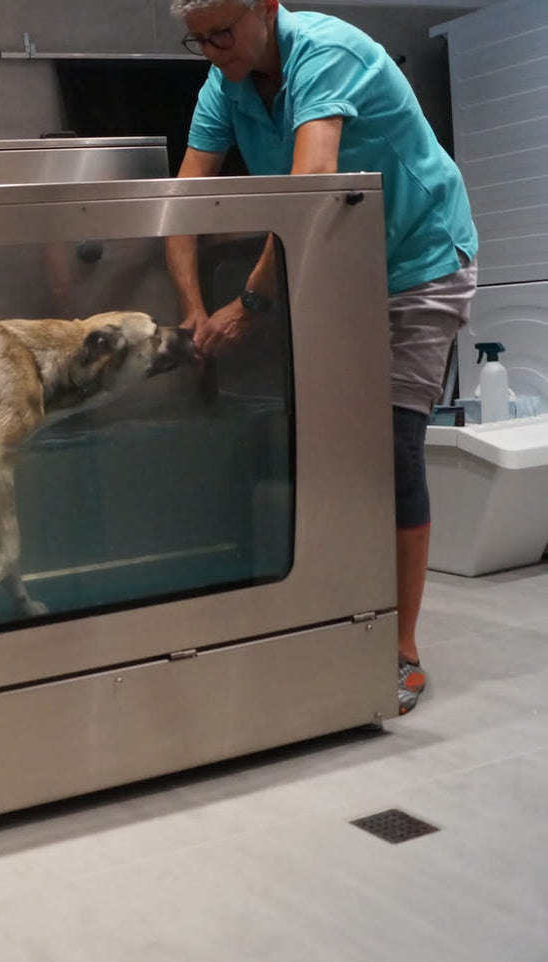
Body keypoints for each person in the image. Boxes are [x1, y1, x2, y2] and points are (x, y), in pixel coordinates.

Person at [164, 0, 478, 714]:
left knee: (392, 447)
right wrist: (190, 307)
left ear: (264, 7)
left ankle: (399, 650)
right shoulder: (224, 84)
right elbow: (182, 203)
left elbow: (309, 196)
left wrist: (248, 306)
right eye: (198, 40)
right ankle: (334, 616)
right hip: (337, 266)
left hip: (420, 262)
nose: (212, 50)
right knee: (326, 449)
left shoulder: (324, 54)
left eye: (222, 33)